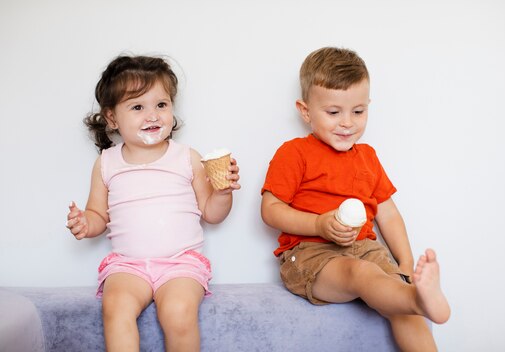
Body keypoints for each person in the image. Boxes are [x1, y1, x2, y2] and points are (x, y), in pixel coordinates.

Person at [260, 47, 450, 351]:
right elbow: (270, 210)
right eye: (334, 112)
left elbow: (388, 214)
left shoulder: (368, 157)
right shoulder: (294, 152)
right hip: (312, 254)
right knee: (361, 274)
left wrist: (405, 262)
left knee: (400, 304)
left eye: (358, 111)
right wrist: (320, 225)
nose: (347, 122)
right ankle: (415, 298)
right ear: (306, 110)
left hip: (367, 250)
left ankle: (413, 298)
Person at [66, 55, 241, 351]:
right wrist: (86, 222)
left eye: (161, 105)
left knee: (178, 312)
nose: (153, 116)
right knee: (116, 307)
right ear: (112, 118)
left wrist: (223, 193)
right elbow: (98, 213)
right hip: (128, 265)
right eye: (137, 107)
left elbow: (211, 213)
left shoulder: (187, 157)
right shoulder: (106, 163)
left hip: (180, 263)